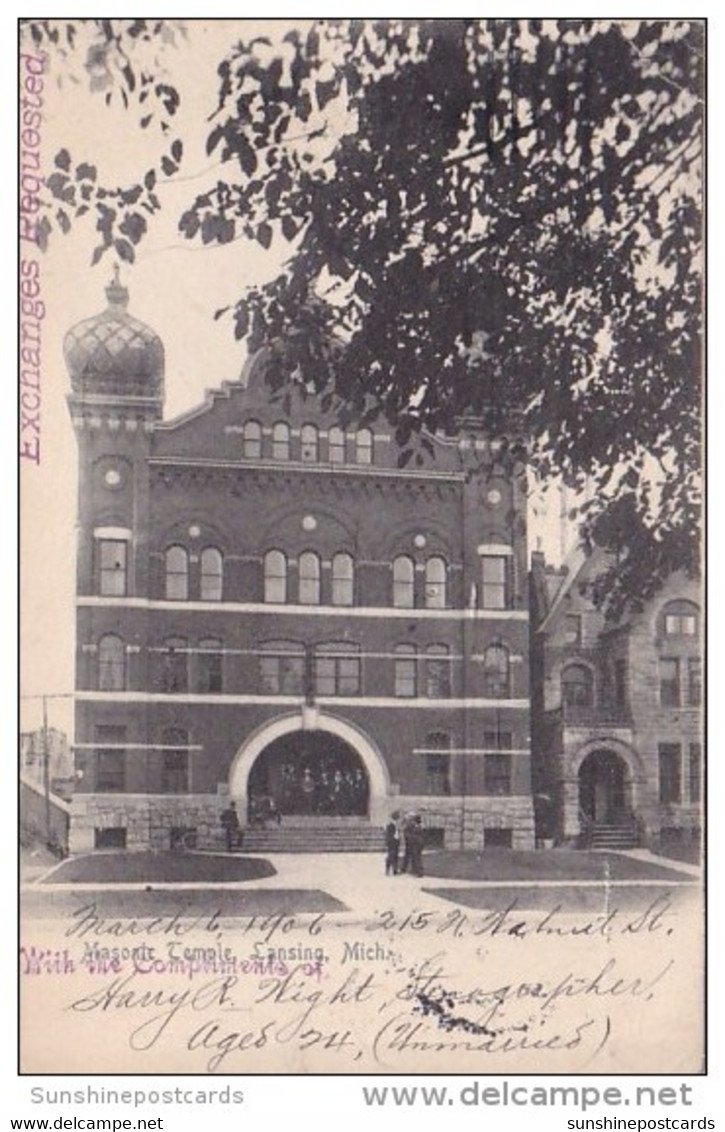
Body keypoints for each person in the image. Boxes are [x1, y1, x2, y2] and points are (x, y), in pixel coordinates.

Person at [384, 810, 401, 875]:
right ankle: (387, 870)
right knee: (391, 856)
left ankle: (395, 870)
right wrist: (390, 842)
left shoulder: (397, 825)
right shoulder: (390, 825)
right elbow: (389, 835)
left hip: (396, 842)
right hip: (392, 843)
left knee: (396, 856)